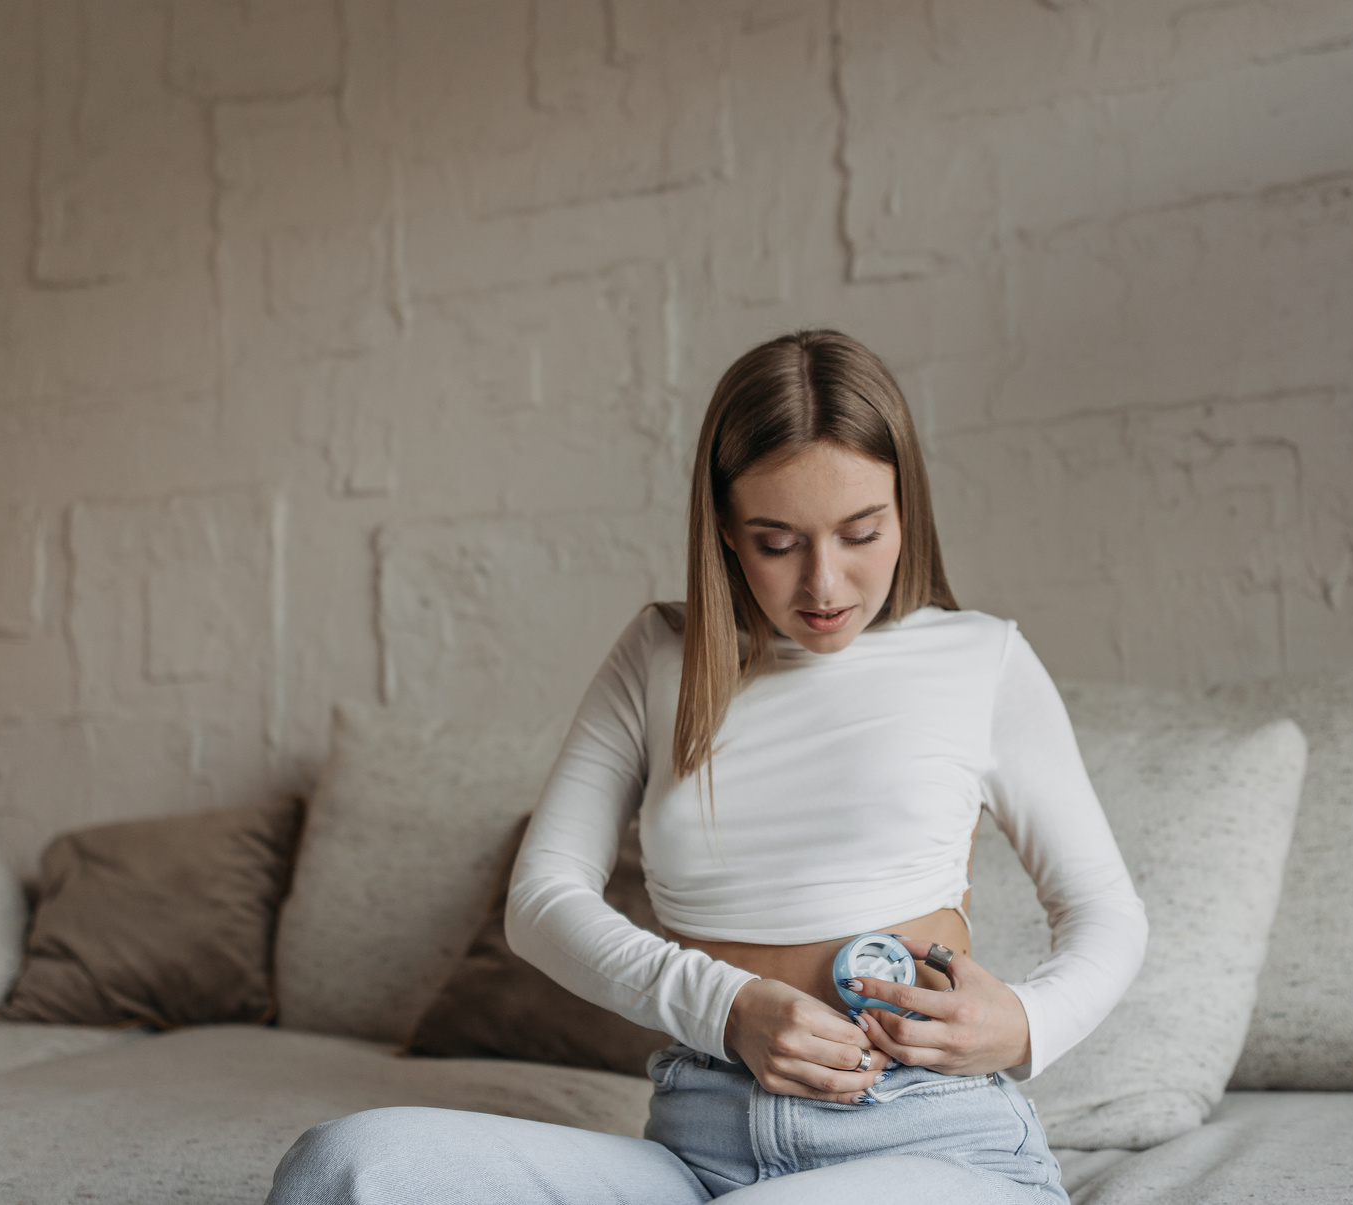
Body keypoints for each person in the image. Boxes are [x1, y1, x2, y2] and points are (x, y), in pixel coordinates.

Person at [265, 330, 1148, 1204]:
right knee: (345, 1165)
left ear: (904, 509)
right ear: (723, 528)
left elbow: (1103, 911)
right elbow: (543, 903)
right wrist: (727, 1006)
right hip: (701, 1151)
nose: (824, 584)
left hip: (933, 1140)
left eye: (860, 532)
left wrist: (1025, 1023)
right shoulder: (659, 658)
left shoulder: (979, 658)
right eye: (777, 541)